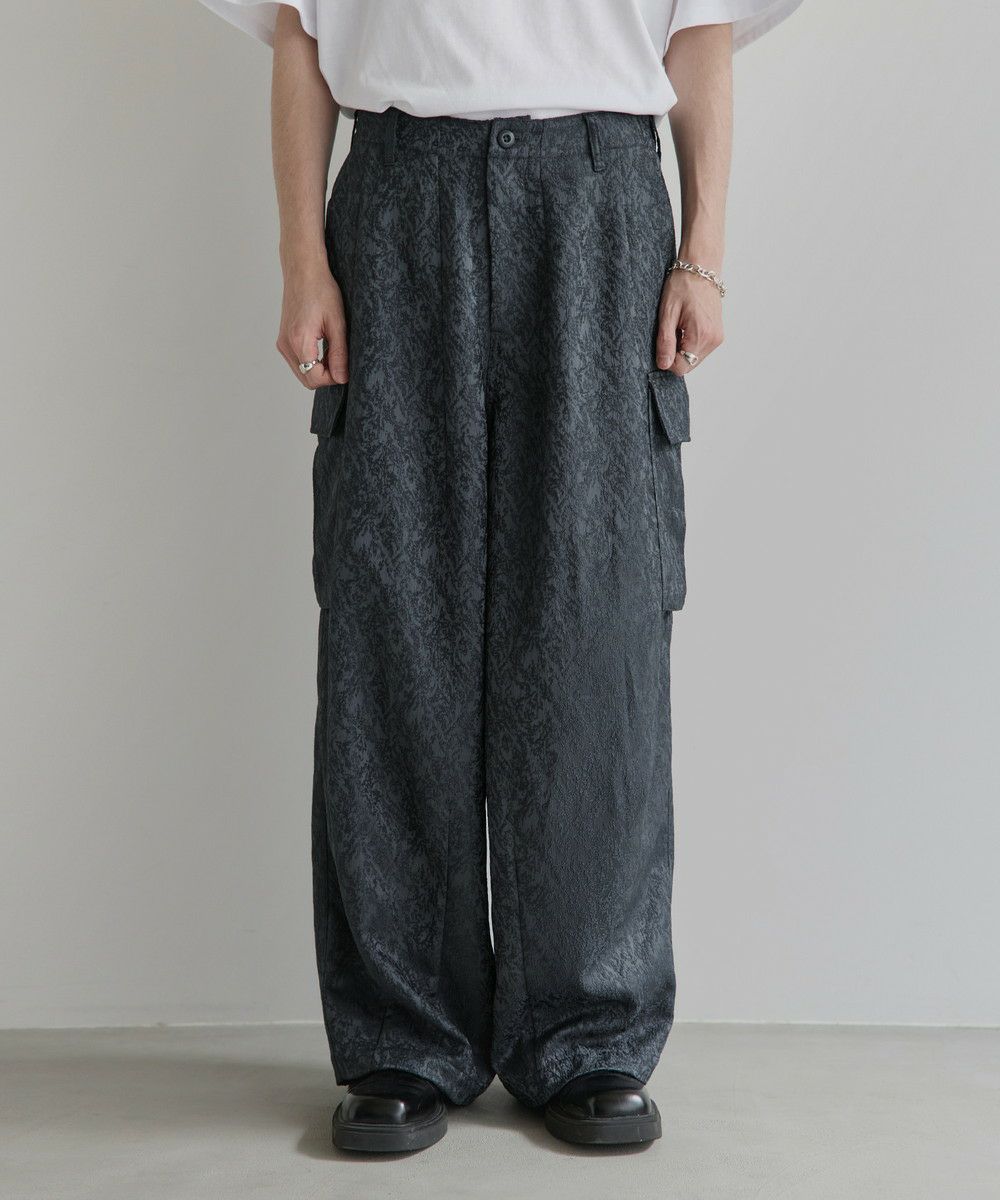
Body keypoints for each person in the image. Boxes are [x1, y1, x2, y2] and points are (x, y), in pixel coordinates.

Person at [197, 0, 801, 1153]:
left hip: (599, 201)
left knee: (596, 625)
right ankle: (401, 1037)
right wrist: (302, 259)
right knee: (393, 622)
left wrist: (703, 254)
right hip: (398, 197)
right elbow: (301, 33)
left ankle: (588, 1030)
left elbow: (700, 29)